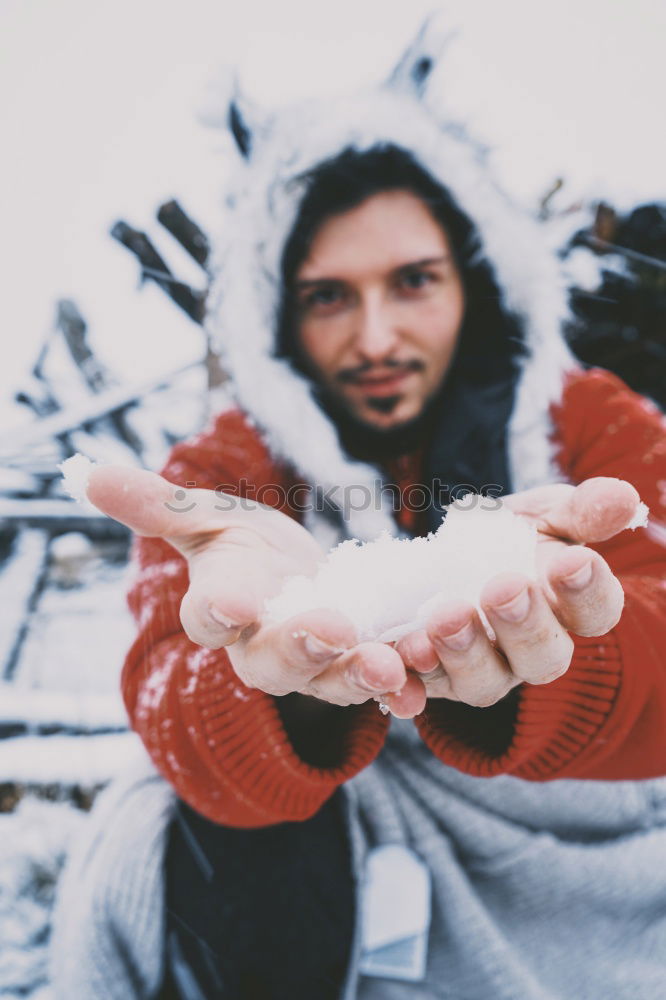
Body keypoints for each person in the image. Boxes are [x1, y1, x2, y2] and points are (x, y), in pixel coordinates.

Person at [51, 17, 666, 1000]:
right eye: (329, 296)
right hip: (324, 872)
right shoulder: (229, 466)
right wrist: (277, 683)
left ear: (476, 281)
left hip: (592, 864)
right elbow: (167, 687)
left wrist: (562, 650)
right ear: (278, 314)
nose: (376, 335)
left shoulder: (591, 423)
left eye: (413, 282)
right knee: (155, 828)